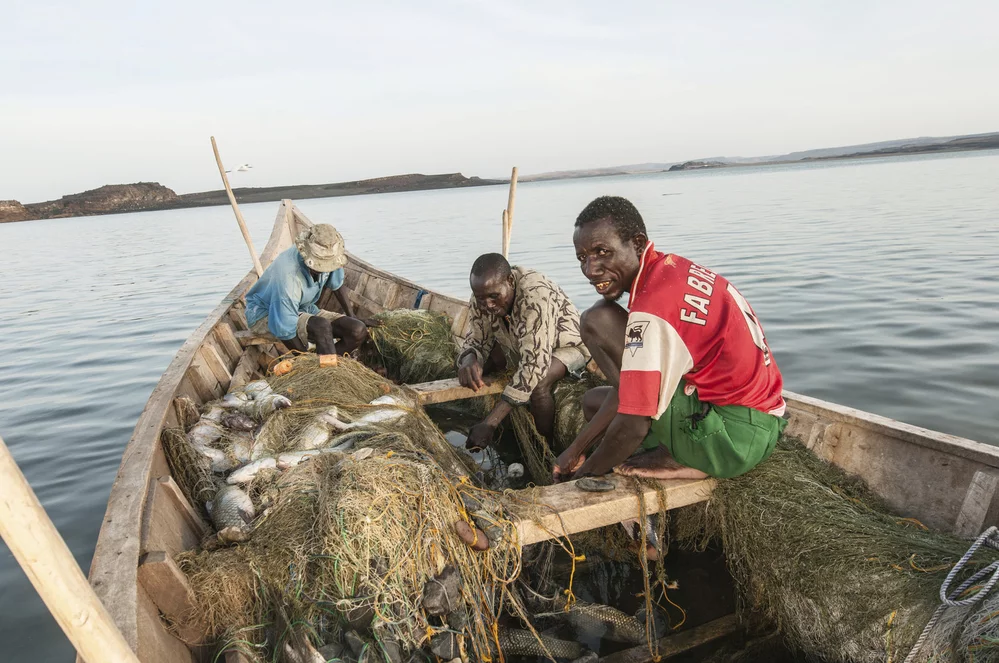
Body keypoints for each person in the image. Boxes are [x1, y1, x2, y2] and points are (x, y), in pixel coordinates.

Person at [553, 196, 786, 483]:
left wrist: (583, 476)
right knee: (592, 402)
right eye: (583, 257)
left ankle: (687, 456)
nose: (590, 269)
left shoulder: (653, 308)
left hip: (730, 441)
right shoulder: (669, 269)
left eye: (603, 252)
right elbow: (628, 387)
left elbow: (634, 424)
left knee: (596, 321)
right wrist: (577, 448)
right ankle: (681, 445)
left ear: (637, 244)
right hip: (757, 424)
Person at [458, 253, 591, 449]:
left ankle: (547, 448)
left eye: (494, 296)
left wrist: (490, 423)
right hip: (522, 344)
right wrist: (469, 358)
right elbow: (477, 339)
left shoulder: (535, 297)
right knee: (479, 368)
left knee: (539, 385)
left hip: (567, 346)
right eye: (481, 298)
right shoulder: (481, 296)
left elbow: (534, 367)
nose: (488, 305)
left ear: (510, 281)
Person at [244, 223, 368, 359]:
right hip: (267, 314)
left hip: (304, 308)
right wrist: (304, 358)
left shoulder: (331, 256)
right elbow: (283, 327)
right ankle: (318, 366)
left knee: (358, 330)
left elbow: (337, 285)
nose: (325, 269)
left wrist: (352, 316)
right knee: (321, 327)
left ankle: (325, 362)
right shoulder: (288, 275)